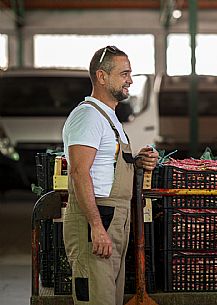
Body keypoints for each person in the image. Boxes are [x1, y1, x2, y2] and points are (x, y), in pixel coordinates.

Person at [62, 46, 158, 305]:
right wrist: (97, 227)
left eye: (130, 74)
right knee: (97, 297)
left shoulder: (108, 117)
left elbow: (103, 165)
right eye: (124, 74)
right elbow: (79, 173)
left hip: (113, 216)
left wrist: (138, 162)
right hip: (97, 217)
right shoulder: (88, 117)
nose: (130, 80)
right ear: (102, 77)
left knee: (109, 297)